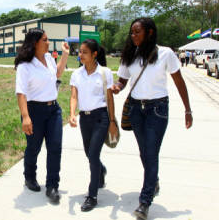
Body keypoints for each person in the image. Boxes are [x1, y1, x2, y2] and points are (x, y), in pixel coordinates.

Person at [112, 17, 193, 220]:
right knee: (144, 152)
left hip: (157, 109)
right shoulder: (130, 54)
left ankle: (145, 201)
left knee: (150, 152)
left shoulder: (165, 53)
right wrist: (117, 87)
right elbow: (123, 79)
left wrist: (187, 109)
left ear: (149, 32)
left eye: (137, 32)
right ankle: (153, 179)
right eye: (131, 32)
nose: (133, 36)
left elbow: (178, 80)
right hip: (136, 110)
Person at [15, 28, 69, 203]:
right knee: (34, 147)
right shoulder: (25, 66)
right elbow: (21, 93)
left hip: (54, 110)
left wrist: (64, 55)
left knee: (55, 147)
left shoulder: (49, 58)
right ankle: (29, 176)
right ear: (35, 43)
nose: (48, 43)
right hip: (34, 111)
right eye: (45, 40)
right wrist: (25, 117)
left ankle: (52, 185)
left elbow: (58, 74)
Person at [69, 39, 118, 212]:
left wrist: (112, 121)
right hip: (85, 119)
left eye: (84, 52)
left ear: (94, 54)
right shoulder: (77, 74)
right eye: (80, 52)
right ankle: (101, 170)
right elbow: (74, 96)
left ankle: (92, 195)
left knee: (93, 153)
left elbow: (110, 98)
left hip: (101, 118)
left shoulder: (105, 73)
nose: (80, 55)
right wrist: (72, 114)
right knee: (89, 154)